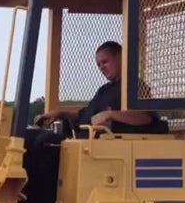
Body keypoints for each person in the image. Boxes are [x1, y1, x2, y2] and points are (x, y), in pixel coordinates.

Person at [34, 41, 164, 136]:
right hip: (85, 140)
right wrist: (60, 113)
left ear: (121, 58)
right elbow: (87, 116)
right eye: (98, 64)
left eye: (105, 61)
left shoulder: (136, 86)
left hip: (107, 147)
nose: (101, 67)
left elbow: (146, 118)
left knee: (42, 143)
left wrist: (111, 115)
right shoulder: (104, 90)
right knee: (34, 136)